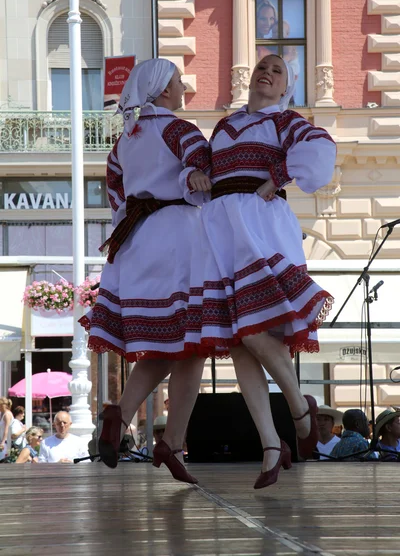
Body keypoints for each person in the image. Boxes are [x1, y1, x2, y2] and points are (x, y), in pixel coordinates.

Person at [187, 54, 336, 488]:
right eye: (261, 68)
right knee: (239, 341)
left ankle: (297, 409)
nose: (266, 73)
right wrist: (198, 174)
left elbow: (322, 147)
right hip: (220, 230)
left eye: (276, 70)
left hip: (261, 226)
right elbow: (206, 171)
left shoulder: (284, 121)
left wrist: (280, 175)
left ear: (286, 86)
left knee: (255, 330)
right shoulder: (226, 126)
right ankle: (272, 442)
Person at [80, 58, 213, 483]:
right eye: (178, 82)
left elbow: (116, 193)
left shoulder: (126, 140)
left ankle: (120, 413)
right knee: (192, 345)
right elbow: (204, 168)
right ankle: (173, 443)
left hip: (140, 240)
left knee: (163, 344)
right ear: (161, 91)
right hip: (180, 238)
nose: (183, 88)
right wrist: (193, 178)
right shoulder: (179, 129)